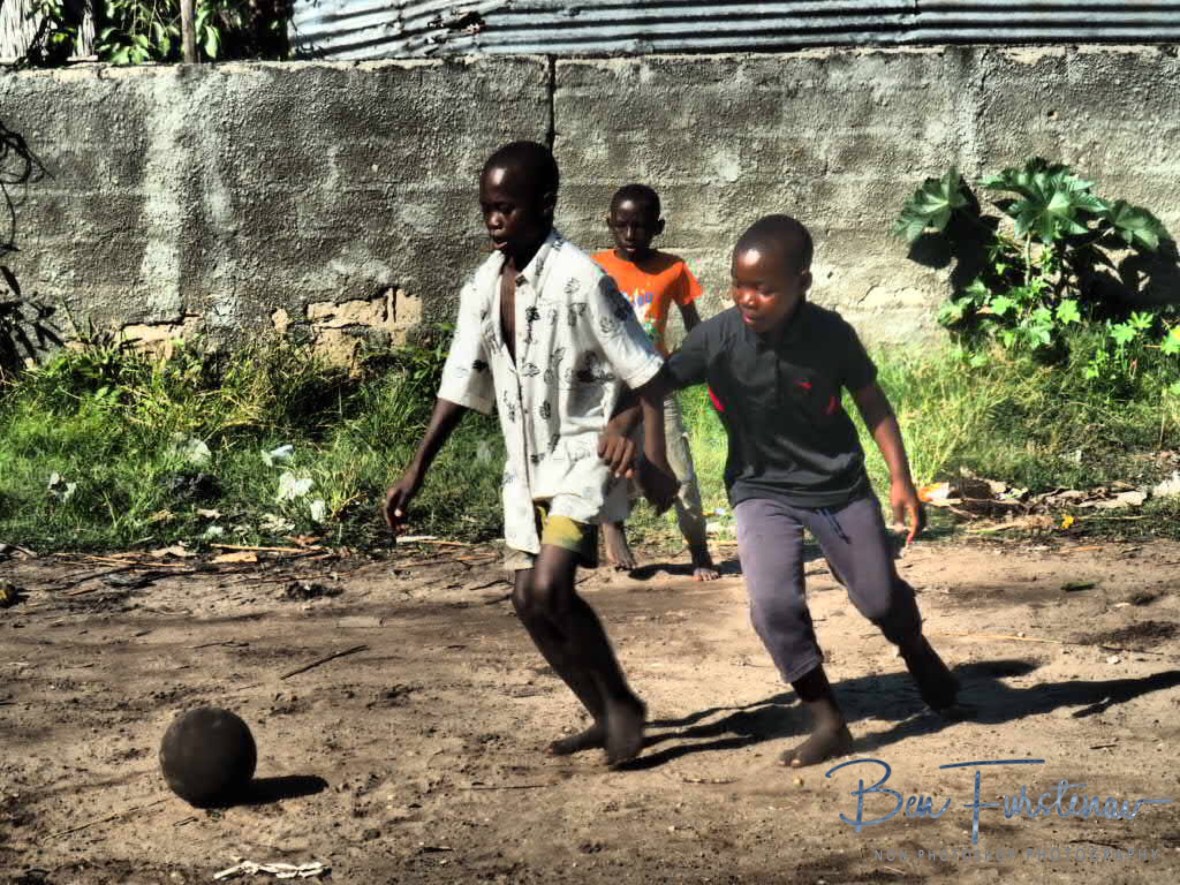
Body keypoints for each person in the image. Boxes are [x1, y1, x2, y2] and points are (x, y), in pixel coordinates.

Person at [384, 141, 677, 766]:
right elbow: (459, 382)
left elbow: (647, 370)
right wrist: (416, 469)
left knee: (550, 586)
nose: (494, 221)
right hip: (525, 463)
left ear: (545, 205)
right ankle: (602, 714)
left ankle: (623, 705)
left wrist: (647, 451)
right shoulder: (482, 287)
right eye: (487, 208)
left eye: (507, 208)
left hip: (584, 454)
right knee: (525, 602)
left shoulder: (582, 279)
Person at [642, 214, 961, 768]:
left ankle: (913, 645)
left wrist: (901, 480)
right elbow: (653, 382)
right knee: (772, 604)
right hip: (760, 489)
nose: (748, 298)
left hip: (838, 487)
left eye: (764, 288)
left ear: (802, 283)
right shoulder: (715, 338)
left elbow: (873, 403)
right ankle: (827, 719)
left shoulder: (830, 334)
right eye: (739, 284)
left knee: (879, 599)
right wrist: (644, 452)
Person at [592, 184, 719, 581]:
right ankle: (613, 527)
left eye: (642, 226)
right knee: (610, 463)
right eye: (622, 225)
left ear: (658, 227)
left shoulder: (673, 269)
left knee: (680, 472)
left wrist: (687, 363)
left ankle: (699, 549)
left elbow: (695, 327)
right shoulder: (594, 267)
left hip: (656, 386)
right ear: (609, 223)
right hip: (610, 389)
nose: (631, 234)